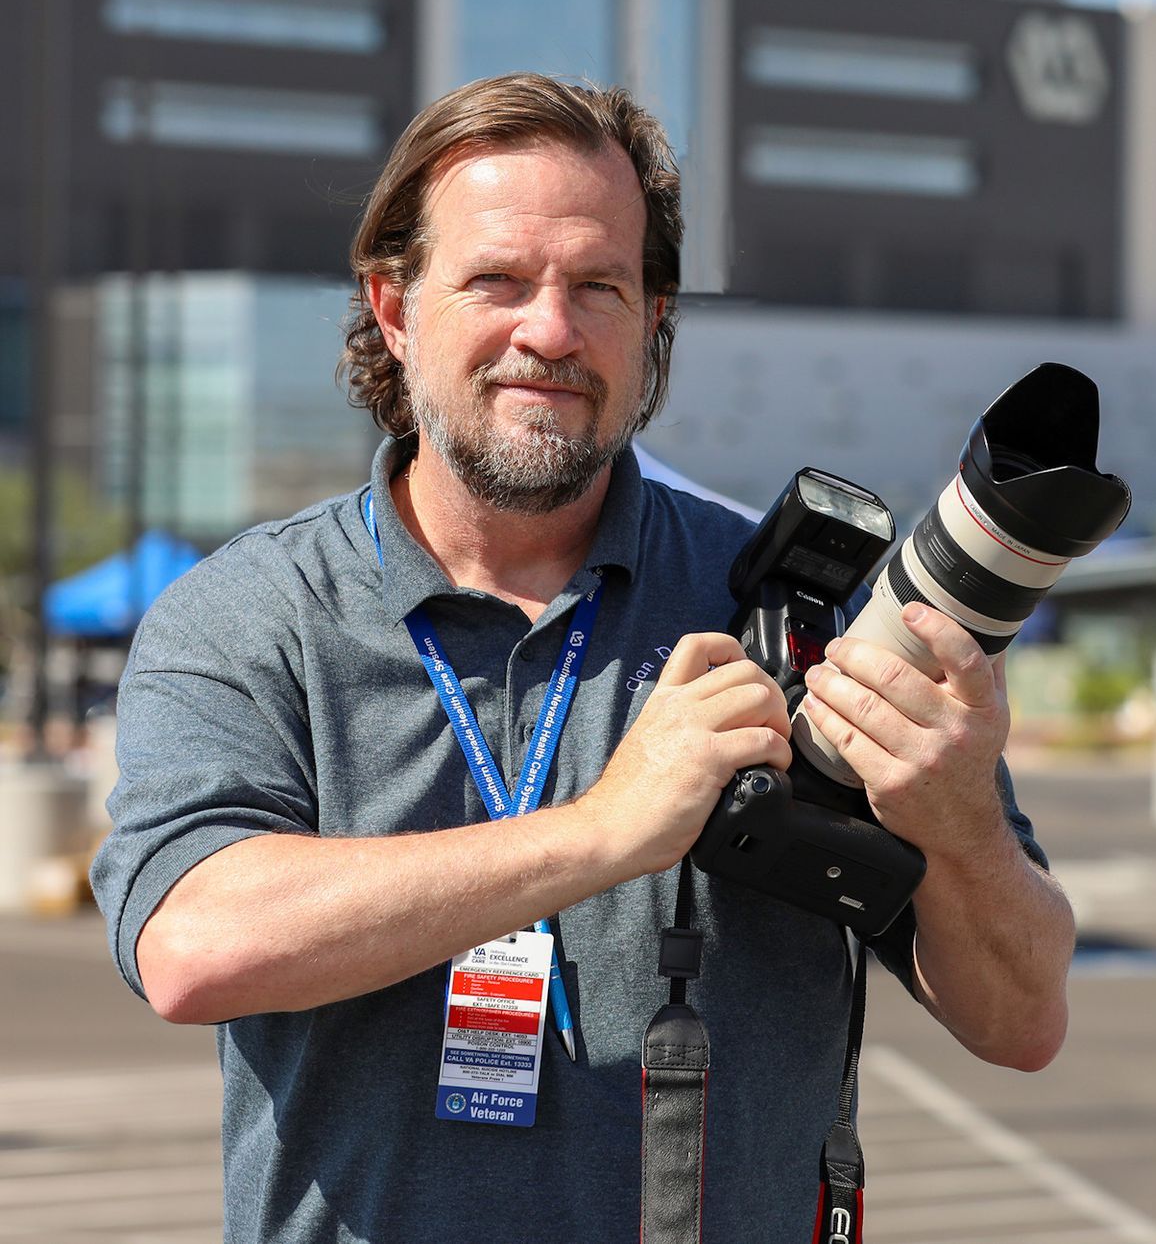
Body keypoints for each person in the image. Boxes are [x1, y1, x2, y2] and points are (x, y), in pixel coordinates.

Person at [91, 73, 1074, 1243]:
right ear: (395, 309)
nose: (549, 332)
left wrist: (956, 816)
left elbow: (1022, 1019)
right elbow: (191, 946)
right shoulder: (252, 615)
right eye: (497, 281)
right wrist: (605, 830)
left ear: (655, 317)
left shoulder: (795, 611)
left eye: (599, 286)